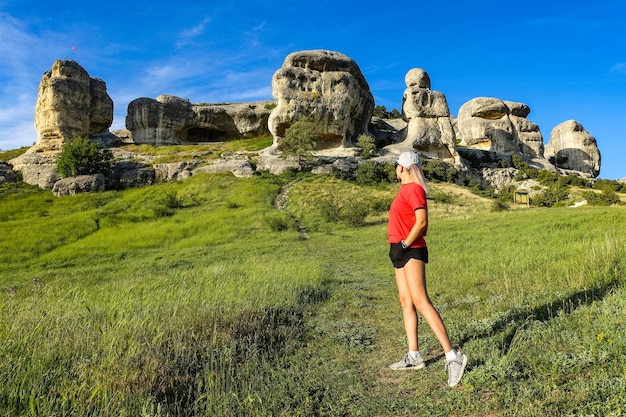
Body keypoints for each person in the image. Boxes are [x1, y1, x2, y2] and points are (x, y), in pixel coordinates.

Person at [387, 151, 467, 387]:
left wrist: (404, 244)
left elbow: (422, 222)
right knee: (406, 301)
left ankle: (453, 356)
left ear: (403, 168)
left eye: (396, 165)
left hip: (410, 248)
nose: (395, 169)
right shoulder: (404, 190)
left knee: (421, 301)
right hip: (399, 248)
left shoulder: (414, 189)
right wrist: (397, 247)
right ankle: (414, 356)